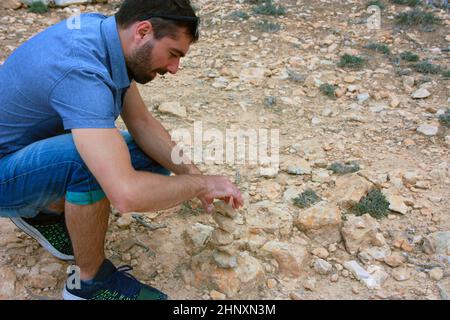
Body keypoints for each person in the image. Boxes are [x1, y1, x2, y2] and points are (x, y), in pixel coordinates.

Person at [0, 0, 243, 300]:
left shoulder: (106, 35)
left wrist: (194, 175)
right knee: (86, 160)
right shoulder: (82, 70)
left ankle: (42, 212)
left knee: (145, 156)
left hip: (22, 150)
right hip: (4, 170)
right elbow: (126, 195)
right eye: (173, 54)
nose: (174, 68)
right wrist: (199, 186)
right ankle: (88, 284)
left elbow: (142, 124)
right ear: (143, 31)